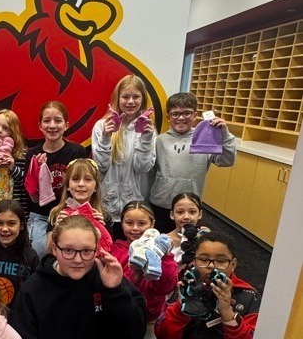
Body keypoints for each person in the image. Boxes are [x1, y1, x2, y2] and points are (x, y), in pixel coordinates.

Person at [13, 215, 147, 339]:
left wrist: (115, 291)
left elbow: (133, 334)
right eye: (68, 250)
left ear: (96, 250)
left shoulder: (106, 276)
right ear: (55, 249)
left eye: (86, 251)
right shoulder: (34, 289)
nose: (77, 259)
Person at [149, 92, 236, 232]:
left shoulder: (205, 139)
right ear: (168, 117)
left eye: (187, 113)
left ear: (195, 115)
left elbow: (226, 161)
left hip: (189, 206)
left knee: (185, 244)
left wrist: (225, 135)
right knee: (160, 242)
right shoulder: (159, 140)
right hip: (161, 202)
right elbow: (151, 172)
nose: (181, 118)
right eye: (175, 114)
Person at [112, 201, 178, 339]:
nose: (135, 229)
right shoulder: (115, 250)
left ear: (152, 224)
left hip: (149, 321)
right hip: (119, 317)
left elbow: (165, 288)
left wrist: (164, 258)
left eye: (142, 224)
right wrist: (133, 276)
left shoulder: (162, 253)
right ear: (121, 223)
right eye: (129, 223)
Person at [92, 74, 156, 239]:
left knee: (131, 253)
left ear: (143, 99)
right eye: (125, 96)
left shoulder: (148, 128)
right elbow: (100, 165)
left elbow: (142, 168)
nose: (130, 101)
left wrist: (146, 139)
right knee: (106, 248)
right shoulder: (102, 125)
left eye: (136, 96)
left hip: (133, 206)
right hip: (106, 204)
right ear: (117, 98)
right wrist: (106, 137)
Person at [23, 101, 87, 258]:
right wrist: (37, 172)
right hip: (40, 216)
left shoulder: (76, 151)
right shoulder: (32, 154)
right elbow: (33, 198)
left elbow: (82, 190)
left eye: (58, 120)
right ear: (40, 125)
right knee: (40, 254)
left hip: (69, 213)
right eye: (47, 121)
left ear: (66, 125)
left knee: (68, 254)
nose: (52, 125)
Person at [0, 199, 39, 314]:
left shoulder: (30, 256)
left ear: (21, 226)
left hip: (17, 317)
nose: (5, 228)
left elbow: (35, 293)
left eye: (11, 223)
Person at [46, 157, 114, 250]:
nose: (81, 184)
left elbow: (107, 252)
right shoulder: (57, 214)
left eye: (88, 179)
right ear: (68, 186)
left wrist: (102, 230)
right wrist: (56, 229)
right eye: (75, 179)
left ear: (96, 187)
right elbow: (49, 251)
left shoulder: (103, 217)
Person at [167, 192, 210, 271]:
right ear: (172, 215)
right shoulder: (164, 241)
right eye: (180, 212)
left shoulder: (205, 238)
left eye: (192, 212)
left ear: (200, 214)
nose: (186, 217)